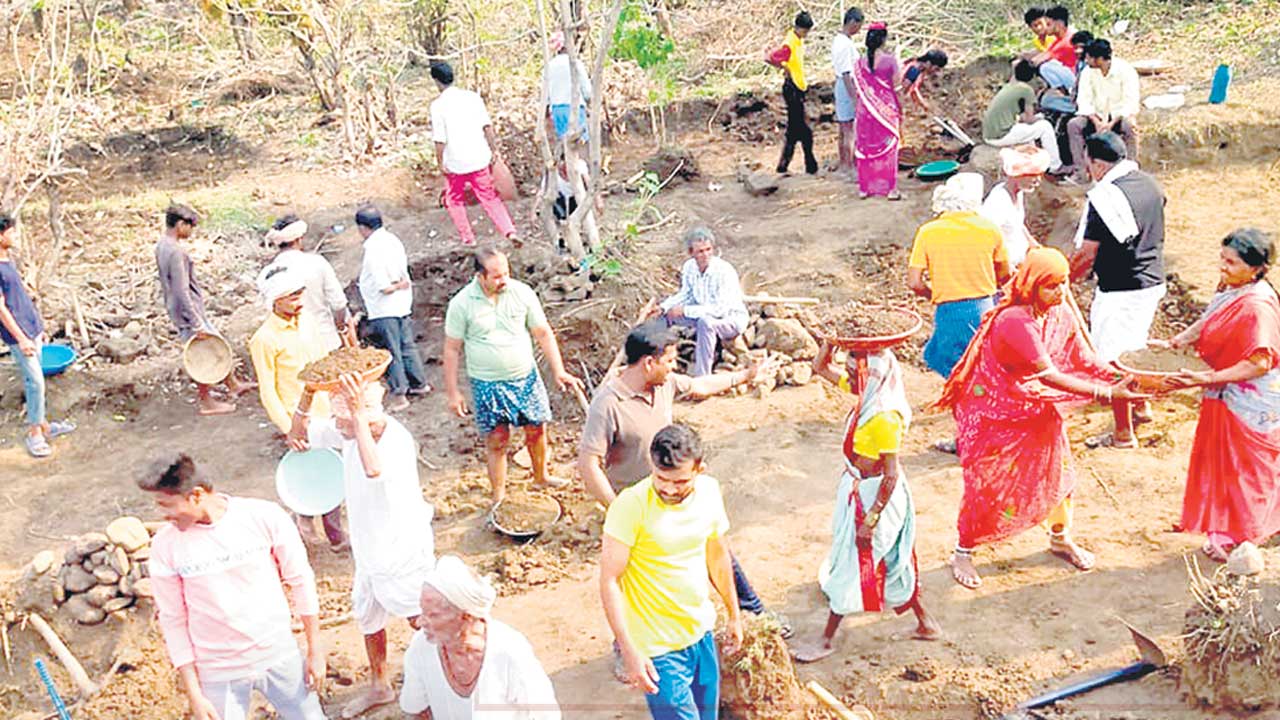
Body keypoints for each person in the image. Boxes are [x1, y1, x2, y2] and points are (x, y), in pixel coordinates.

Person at [936, 247, 1147, 588]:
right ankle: (963, 550)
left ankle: (1060, 538)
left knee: (1060, 476)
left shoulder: (1057, 312)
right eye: (1051, 285)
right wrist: (1107, 394)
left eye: (1064, 282)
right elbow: (1048, 375)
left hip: (1038, 409)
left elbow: (1083, 358)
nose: (1060, 291)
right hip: (996, 414)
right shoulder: (1015, 321)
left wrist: (1122, 377)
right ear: (1031, 286)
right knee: (989, 484)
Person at [579, 320, 781, 633]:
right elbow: (588, 463)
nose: (673, 367)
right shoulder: (607, 405)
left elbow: (700, 386)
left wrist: (746, 375)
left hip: (681, 495)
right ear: (649, 363)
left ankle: (754, 613)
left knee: (717, 552)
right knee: (643, 579)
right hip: (642, 509)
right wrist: (618, 509)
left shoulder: (663, 384)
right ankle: (629, 642)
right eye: (670, 360)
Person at [290, 374, 436, 719]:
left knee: (424, 620)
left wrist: (355, 414)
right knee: (369, 618)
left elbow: (373, 469)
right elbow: (297, 435)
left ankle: (441, 681)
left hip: (403, 550)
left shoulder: (395, 438)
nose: (336, 427)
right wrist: (308, 393)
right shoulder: (350, 432)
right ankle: (380, 685)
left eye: (342, 420)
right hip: (369, 549)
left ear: (365, 416)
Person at [142, 454, 326, 720]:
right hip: (218, 671)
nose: (163, 515)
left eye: (167, 505)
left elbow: (300, 579)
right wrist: (194, 693)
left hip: (278, 653)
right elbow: (173, 619)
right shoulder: (164, 546)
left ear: (196, 495)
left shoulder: (263, 517)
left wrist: (315, 649)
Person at [792, 340, 940, 663]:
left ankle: (826, 640)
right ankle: (925, 622)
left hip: (876, 499)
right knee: (892, 561)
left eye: (853, 370)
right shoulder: (869, 394)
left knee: (854, 564)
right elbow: (819, 369)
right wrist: (831, 344)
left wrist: (870, 521)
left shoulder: (884, 417)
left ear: (870, 374)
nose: (848, 377)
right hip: (861, 490)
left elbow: (890, 476)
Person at [600, 424, 743, 720]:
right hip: (658, 649)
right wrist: (629, 650)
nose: (668, 489)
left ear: (700, 469)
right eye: (660, 478)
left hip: (700, 632)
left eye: (680, 482)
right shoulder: (630, 506)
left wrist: (734, 615)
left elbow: (717, 557)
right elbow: (610, 580)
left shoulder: (709, 492)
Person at [1160, 229, 1280, 562]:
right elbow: (1210, 317)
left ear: (1256, 269)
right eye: (1222, 259)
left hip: (1250, 401)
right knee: (1225, 465)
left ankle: (1242, 537)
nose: (1222, 267)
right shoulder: (1234, 288)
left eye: (1231, 262)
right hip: (1226, 390)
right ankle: (1229, 528)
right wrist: (1178, 341)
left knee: (1246, 470)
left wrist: (1208, 377)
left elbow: (1259, 362)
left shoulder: (1257, 306)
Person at [444, 247, 582, 504]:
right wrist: (453, 393)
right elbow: (452, 349)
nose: (503, 280)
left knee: (537, 429)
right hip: (487, 384)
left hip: (525, 377)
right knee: (497, 440)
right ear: (480, 276)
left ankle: (541, 476)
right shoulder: (461, 304)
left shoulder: (522, 293)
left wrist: (559, 370)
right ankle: (499, 496)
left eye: (506, 273)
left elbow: (542, 333)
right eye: (496, 276)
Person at [1069, 132, 1165, 449]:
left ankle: (1123, 433)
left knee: (1113, 361)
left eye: (1088, 163)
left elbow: (1087, 253)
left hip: (1122, 289)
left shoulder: (1105, 198)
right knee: (1133, 348)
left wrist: (1063, 280)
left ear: (1097, 164)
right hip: (1152, 281)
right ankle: (1141, 407)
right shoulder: (1149, 183)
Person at [250, 265, 346, 551]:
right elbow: (267, 390)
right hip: (298, 417)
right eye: (292, 297)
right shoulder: (264, 339)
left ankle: (335, 535)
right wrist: (289, 428)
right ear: (275, 300)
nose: (299, 301)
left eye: (300, 294)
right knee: (307, 473)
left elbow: (324, 362)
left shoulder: (308, 322)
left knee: (332, 470)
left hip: (325, 410)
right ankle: (304, 523)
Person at [400, 556, 560, 719]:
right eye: (422, 611)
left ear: (466, 617)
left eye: (433, 615)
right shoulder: (420, 648)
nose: (419, 622)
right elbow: (416, 709)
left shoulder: (509, 651)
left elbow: (545, 715)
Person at [155, 203, 255, 416]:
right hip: (187, 311)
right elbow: (181, 289)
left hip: (178, 307)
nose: (191, 231)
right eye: (190, 226)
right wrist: (196, 321)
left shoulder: (162, 245)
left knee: (216, 342)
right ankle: (207, 401)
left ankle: (233, 384)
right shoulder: (176, 251)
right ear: (180, 224)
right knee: (201, 355)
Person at [908, 173, 1010, 380]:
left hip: (947, 309)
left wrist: (934, 295)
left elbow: (915, 283)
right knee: (979, 364)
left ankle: (963, 397)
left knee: (947, 364)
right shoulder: (989, 229)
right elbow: (1005, 275)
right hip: (984, 306)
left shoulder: (928, 232)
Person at [0, 214, 75, 458]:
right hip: (18, 335)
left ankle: (44, 425)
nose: (15, 236)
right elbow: (1, 308)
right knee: (35, 382)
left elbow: (20, 297)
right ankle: (34, 433)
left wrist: (37, 327)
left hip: (30, 328)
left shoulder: (7, 260)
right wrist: (21, 338)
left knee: (37, 380)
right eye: (11, 232)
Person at [430, 61, 519, 246]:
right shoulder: (473, 98)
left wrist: (440, 163)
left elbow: (440, 140)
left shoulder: (438, 106)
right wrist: (494, 150)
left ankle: (468, 238)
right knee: (490, 198)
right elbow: (487, 127)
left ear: (436, 81)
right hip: (479, 159)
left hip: (455, 164)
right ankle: (509, 231)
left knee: (454, 199)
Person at [355, 205, 429, 413]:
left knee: (390, 351)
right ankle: (419, 383)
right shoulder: (393, 240)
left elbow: (383, 285)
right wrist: (400, 285)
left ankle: (399, 395)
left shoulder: (373, 248)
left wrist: (392, 287)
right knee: (406, 346)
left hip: (383, 307)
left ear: (362, 227)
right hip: (401, 304)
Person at [657, 227, 750, 377]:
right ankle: (659, 365)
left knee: (706, 323)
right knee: (665, 317)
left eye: (708, 249)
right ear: (691, 252)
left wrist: (685, 310)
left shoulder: (724, 271)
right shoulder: (689, 267)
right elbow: (686, 294)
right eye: (700, 251)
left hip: (730, 319)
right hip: (702, 314)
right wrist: (664, 307)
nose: (705, 255)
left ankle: (702, 377)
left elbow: (720, 310)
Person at [256, 214, 351, 352]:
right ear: (299, 239)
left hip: (290, 349)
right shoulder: (317, 263)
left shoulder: (266, 274)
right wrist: (341, 327)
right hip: (325, 341)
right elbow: (339, 304)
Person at [1067, 39, 1140, 182]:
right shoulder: (1087, 72)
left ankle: (1131, 169)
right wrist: (1096, 121)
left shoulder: (1126, 71)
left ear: (1099, 59)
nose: (1086, 61)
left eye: (1089, 58)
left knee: (1130, 126)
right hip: (1096, 116)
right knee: (1074, 125)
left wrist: (1111, 123)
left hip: (1118, 117)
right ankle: (1081, 172)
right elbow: (1084, 100)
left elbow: (1130, 102)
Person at [982, 61, 1065, 174]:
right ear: (1032, 77)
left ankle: (1034, 161)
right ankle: (1055, 166)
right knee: (1045, 127)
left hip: (989, 135)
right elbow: (1029, 119)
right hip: (1002, 135)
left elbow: (1022, 117)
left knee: (1029, 131)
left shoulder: (1010, 85)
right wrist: (1042, 117)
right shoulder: (1026, 90)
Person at [980, 145, 1052, 271]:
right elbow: (987, 240)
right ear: (1016, 175)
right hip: (1006, 269)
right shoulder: (998, 202)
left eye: (1040, 175)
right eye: (1032, 175)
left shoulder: (1018, 193)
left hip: (1020, 262)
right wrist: (1006, 268)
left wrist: (1033, 244)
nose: (1037, 181)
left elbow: (1017, 224)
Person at [853, 22, 902, 199]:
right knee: (889, 149)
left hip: (864, 110)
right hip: (885, 111)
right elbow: (897, 89)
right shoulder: (890, 61)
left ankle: (864, 188)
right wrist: (901, 109)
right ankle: (891, 189)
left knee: (865, 148)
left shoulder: (859, 63)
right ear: (884, 40)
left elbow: (856, 88)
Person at [766, 11, 818, 175]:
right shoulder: (790, 43)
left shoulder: (797, 40)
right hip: (792, 88)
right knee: (804, 132)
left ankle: (785, 165)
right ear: (799, 28)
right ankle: (810, 165)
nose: (806, 34)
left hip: (797, 87)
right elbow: (771, 58)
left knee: (795, 131)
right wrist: (784, 67)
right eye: (805, 31)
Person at [831, 7, 864, 177]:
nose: (858, 30)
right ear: (852, 22)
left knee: (844, 128)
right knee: (849, 129)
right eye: (858, 26)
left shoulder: (841, 40)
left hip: (844, 85)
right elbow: (846, 73)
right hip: (846, 86)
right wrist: (854, 97)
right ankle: (848, 166)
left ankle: (844, 163)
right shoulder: (844, 44)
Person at [542, 30, 591, 144]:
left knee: (565, 143)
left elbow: (545, 95)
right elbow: (587, 92)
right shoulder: (576, 64)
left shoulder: (549, 66)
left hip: (557, 110)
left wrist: (546, 113)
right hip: (575, 108)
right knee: (580, 142)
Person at [1027, 5, 1078, 94]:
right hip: (1071, 74)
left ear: (1059, 24)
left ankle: (1061, 90)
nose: (1046, 28)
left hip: (1076, 77)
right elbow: (1046, 52)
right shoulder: (1059, 39)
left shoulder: (1067, 40)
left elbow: (1039, 60)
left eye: (1049, 24)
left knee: (1046, 67)